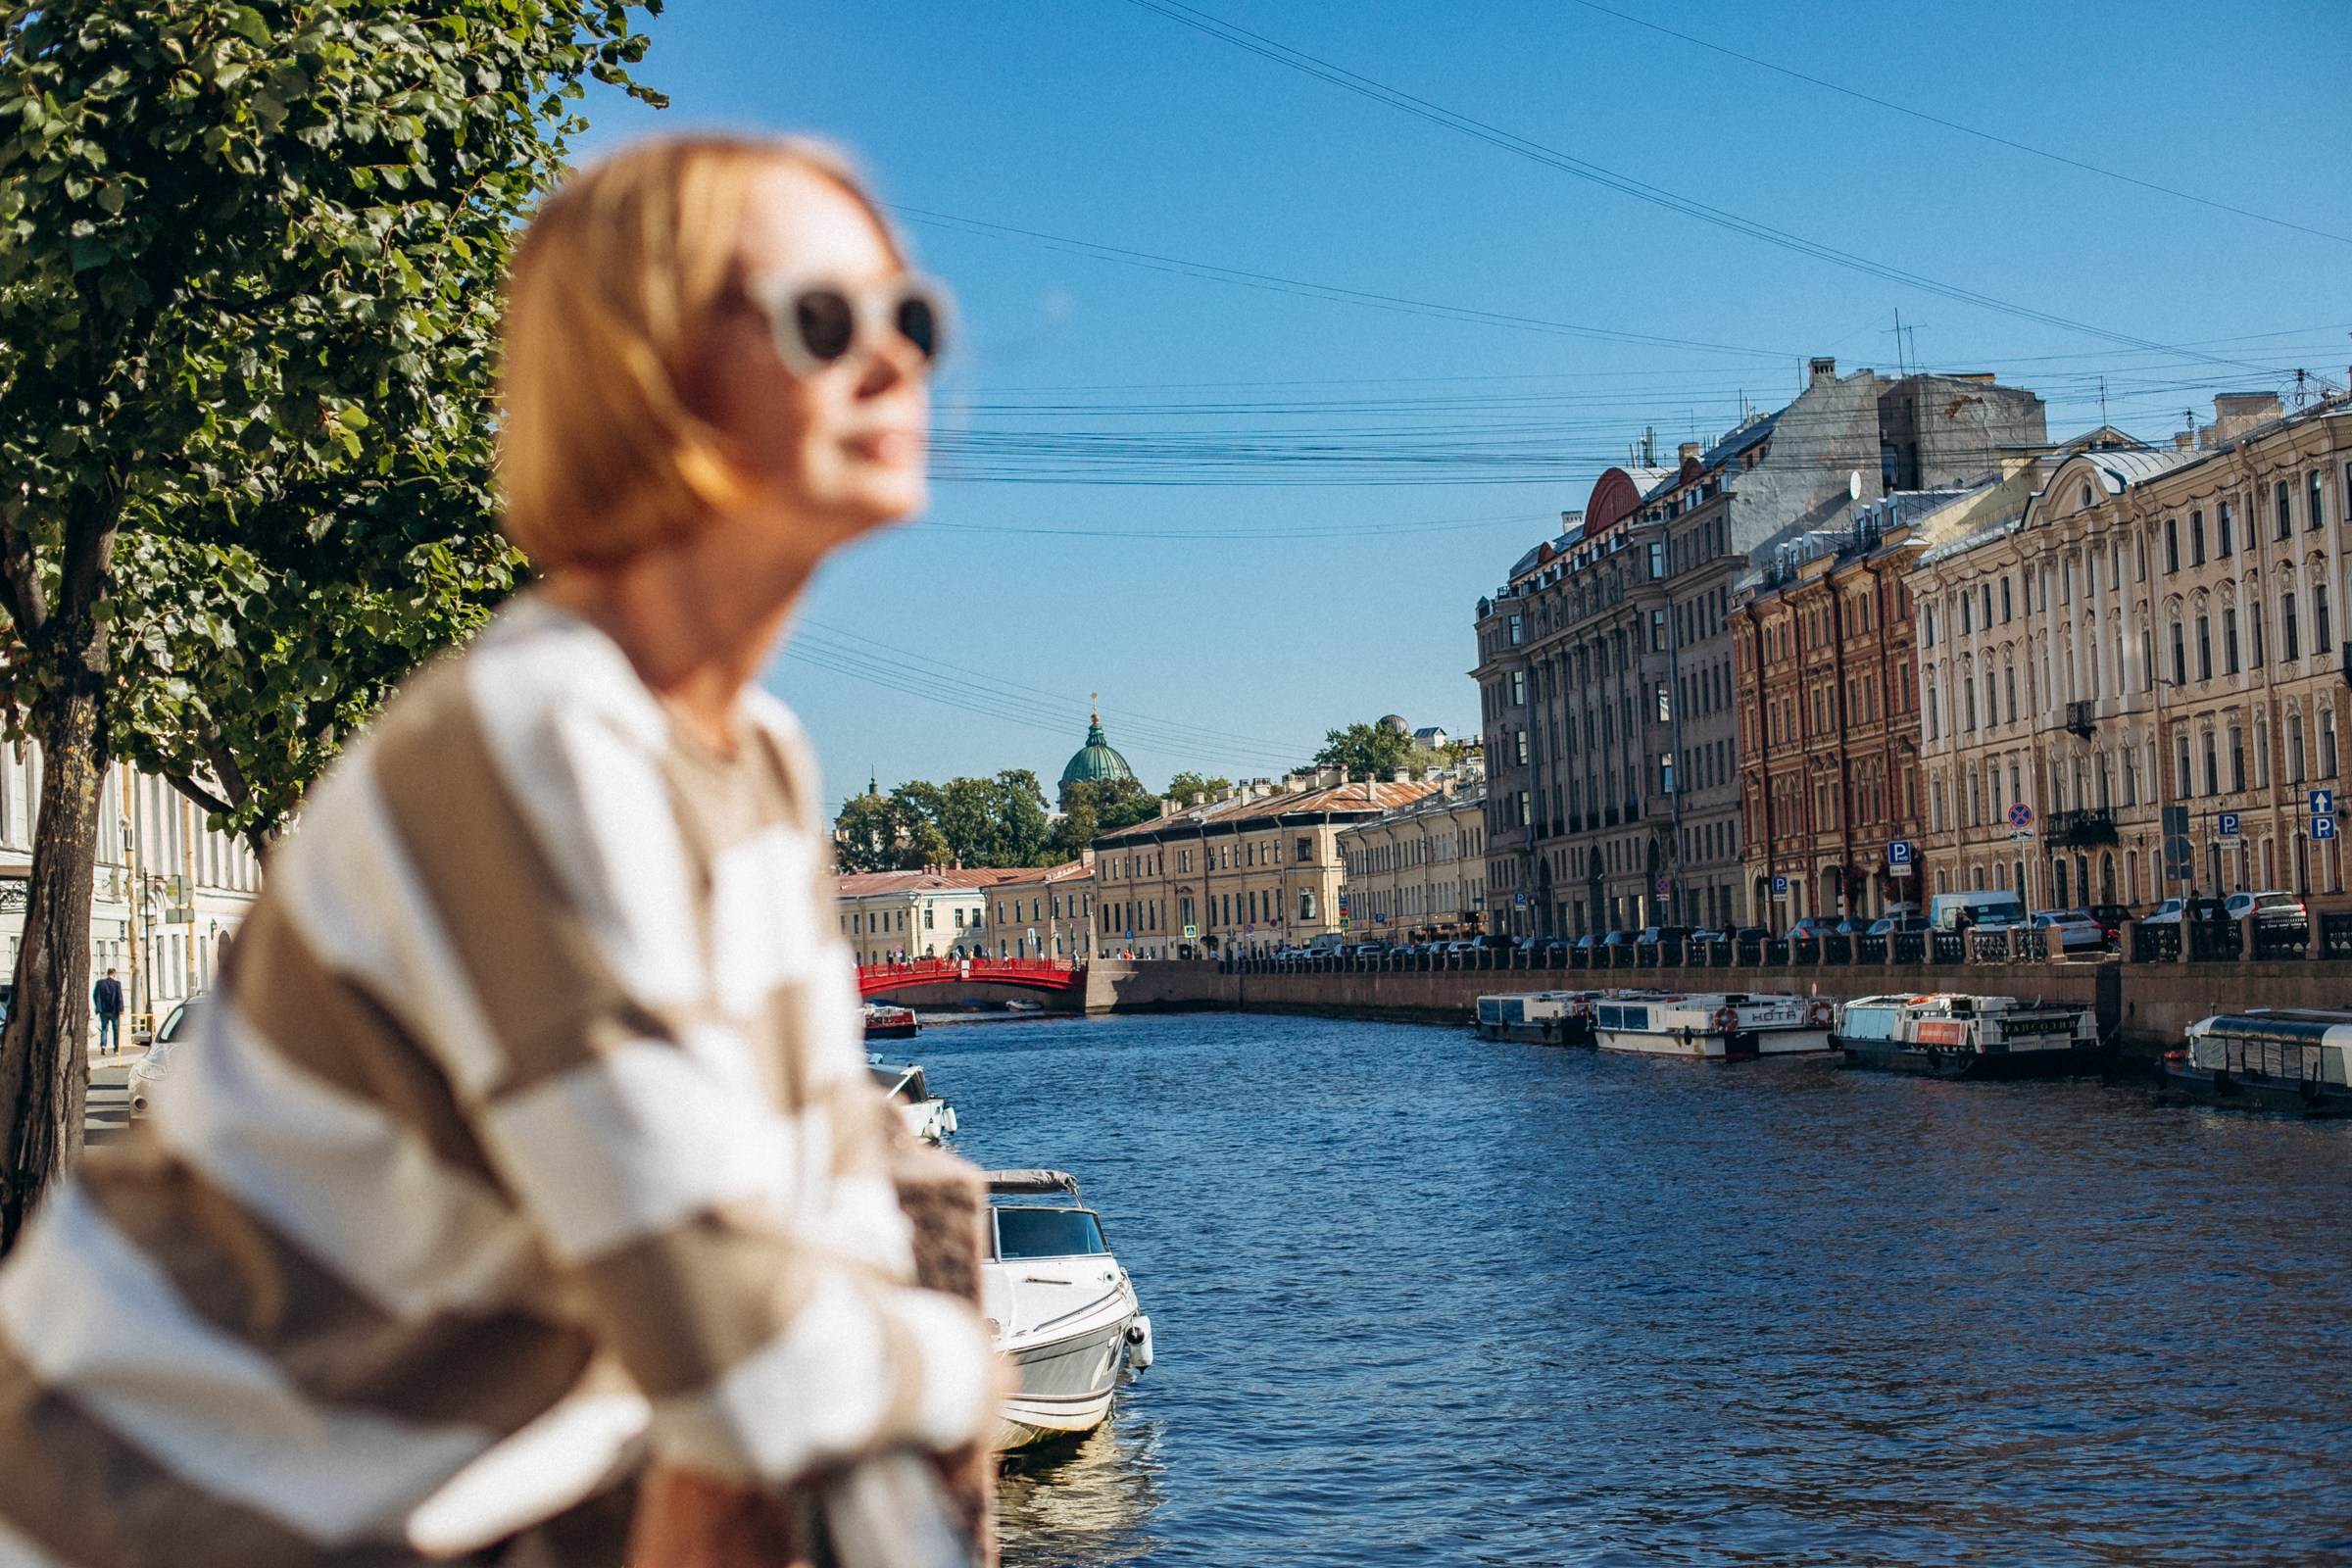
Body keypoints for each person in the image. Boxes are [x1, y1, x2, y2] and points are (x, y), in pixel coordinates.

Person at [0, 136, 994, 1568]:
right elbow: (746, 1367)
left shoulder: (757, 758)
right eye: (822, 321)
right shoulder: (537, 743)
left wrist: (852, 1343)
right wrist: (959, 1369)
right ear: (641, 369)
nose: (897, 360)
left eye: (915, 318)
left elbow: (820, 1201)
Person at [89, 967, 122, 1054]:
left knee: (104, 1028)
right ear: (114, 974)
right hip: (114, 1010)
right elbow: (119, 997)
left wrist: (98, 1005)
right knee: (116, 1030)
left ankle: (103, 1045)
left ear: (107, 973)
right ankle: (116, 1049)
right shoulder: (117, 984)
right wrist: (121, 1009)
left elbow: (94, 995)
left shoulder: (100, 983)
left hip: (103, 1010)